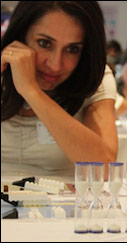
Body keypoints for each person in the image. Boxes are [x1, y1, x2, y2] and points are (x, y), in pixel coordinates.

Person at [1, 1, 118, 178]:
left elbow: (104, 167)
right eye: (44, 43)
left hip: (59, 203)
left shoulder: (95, 79)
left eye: (72, 49)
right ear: (21, 35)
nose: (55, 65)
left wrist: (31, 91)